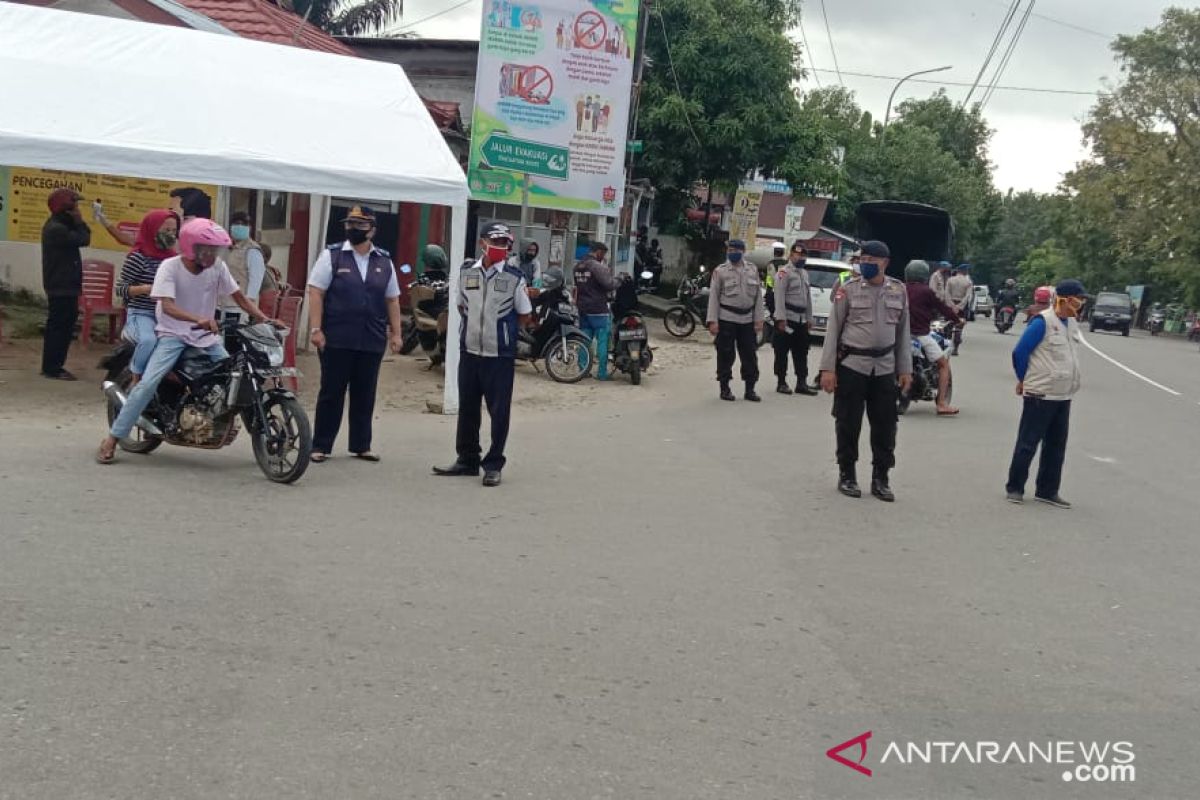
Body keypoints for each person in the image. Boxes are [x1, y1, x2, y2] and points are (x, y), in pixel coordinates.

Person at [96, 219, 276, 464]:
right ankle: (112, 439)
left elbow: (240, 298)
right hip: (173, 335)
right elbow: (167, 306)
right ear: (193, 247)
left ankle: (238, 428)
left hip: (206, 338)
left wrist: (265, 319)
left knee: (237, 377)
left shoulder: (217, 267)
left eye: (216, 250)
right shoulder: (169, 267)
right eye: (208, 249)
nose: (213, 255)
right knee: (147, 384)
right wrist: (198, 318)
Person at [433, 222, 533, 487]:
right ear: (482, 243)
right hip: (470, 351)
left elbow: (524, 314)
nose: (501, 247)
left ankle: (493, 464)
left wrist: (503, 333)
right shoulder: (467, 272)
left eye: (505, 243)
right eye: (496, 242)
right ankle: (467, 459)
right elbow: (461, 306)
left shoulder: (514, 277)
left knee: (498, 411)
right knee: (468, 408)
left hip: (499, 355)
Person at [307, 206, 406, 464]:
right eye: (350, 224)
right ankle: (321, 446)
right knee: (331, 392)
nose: (354, 229)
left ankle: (361, 445)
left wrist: (396, 334)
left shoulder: (384, 261)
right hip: (337, 337)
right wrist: (316, 329)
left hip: (371, 338)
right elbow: (316, 291)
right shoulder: (333, 255)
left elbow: (393, 300)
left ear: (372, 229)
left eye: (360, 225)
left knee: (365, 393)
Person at [817, 241, 912, 501]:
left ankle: (881, 478)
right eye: (863, 258)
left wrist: (905, 369)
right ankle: (847, 474)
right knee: (848, 422)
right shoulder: (847, 289)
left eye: (872, 259)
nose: (866, 263)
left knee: (886, 425)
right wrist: (828, 369)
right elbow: (833, 330)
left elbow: (903, 332)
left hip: (884, 367)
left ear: (885, 262)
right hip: (852, 365)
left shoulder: (898, 290)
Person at [1005, 279, 1087, 507]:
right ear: (1065, 299)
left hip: (1062, 395)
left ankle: (1047, 490)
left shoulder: (1071, 323)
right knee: (1028, 443)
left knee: (1056, 446)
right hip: (1040, 394)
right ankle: (1015, 487)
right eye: (1078, 299)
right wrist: (1024, 379)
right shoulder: (1042, 322)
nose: (1080, 303)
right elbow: (1020, 352)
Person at [116, 209, 180, 383]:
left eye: (174, 231)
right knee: (149, 340)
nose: (171, 235)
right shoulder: (138, 258)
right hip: (141, 313)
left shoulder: (175, 260)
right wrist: (146, 288)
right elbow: (121, 288)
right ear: (152, 230)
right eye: (166, 231)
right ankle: (136, 378)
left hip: (168, 314)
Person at [40, 188, 91, 381]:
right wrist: (80, 222)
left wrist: (77, 222)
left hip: (64, 284)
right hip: (60, 285)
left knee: (62, 325)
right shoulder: (57, 229)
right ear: (65, 208)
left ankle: (51, 365)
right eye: (75, 205)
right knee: (60, 327)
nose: (78, 209)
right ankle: (53, 367)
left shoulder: (60, 226)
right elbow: (84, 239)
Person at [706, 239, 765, 402]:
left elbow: (758, 297)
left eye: (735, 249)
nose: (732, 252)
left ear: (743, 251)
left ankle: (750, 389)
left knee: (750, 355)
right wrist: (712, 321)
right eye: (729, 249)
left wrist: (759, 319)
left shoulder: (752, 270)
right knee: (725, 354)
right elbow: (714, 297)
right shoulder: (721, 271)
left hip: (747, 319)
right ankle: (724, 388)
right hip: (726, 318)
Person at [903, 259, 961, 415]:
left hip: (898, 335)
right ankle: (941, 403)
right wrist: (958, 320)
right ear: (924, 275)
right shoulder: (926, 291)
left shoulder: (900, 289)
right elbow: (943, 308)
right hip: (920, 334)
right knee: (943, 364)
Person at [772, 241, 818, 396]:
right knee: (782, 351)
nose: (801, 257)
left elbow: (808, 298)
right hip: (787, 317)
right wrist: (780, 318)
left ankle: (801, 383)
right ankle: (781, 382)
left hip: (801, 319)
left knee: (801, 352)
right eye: (798, 254)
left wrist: (809, 318)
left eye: (803, 255)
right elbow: (779, 296)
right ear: (791, 255)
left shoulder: (804, 273)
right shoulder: (783, 273)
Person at [573, 241, 617, 381]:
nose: (603, 257)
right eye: (603, 254)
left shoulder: (577, 267)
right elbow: (609, 284)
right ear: (598, 252)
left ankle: (583, 370)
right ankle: (602, 373)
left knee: (584, 341)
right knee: (602, 341)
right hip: (598, 309)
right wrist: (620, 280)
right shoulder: (596, 266)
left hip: (583, 308)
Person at [219, 211, 270, 323]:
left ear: (249, 228)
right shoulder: (225, 247)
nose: (240, 226)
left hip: (238, 308)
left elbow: (255, 280)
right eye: (237, 223)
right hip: (220, 305)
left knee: (232, 339)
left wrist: (249, 305)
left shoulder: (252, 250)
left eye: (244, 224)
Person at [946, 263, 974, 355]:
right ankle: (955, 349)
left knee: (948, 326)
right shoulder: (968, 282)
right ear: (964, 271)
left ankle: (947, 347)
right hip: (962, 306)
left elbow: (947, 294)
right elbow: (967, 296)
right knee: (959, 327)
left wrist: (952, 305)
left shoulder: (950, 280)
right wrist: (960, 307)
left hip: (950, 305)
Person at [764, 241, 788, 316]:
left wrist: (768, 291)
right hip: (785, 292)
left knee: (773, 313)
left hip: (774, 292)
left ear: (774, 253)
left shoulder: (771, 264)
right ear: (783, 253)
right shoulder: (787, 263)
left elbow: (770, 279)